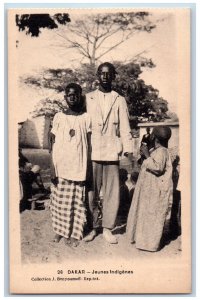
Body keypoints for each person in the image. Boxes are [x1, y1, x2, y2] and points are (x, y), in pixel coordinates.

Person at [84, 62, 133, 244]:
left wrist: (128, 150)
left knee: (112, 192)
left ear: (113, 76)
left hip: (112, 151)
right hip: (93, 151)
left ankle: (107, 228)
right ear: (97, 76)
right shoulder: (88, 98)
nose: (105, 76)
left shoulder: (119, 99)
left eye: (108, 74)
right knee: (92, 192)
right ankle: (94, 227)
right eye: (102, 73)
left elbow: (125, 126)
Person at [49, 83, 91, 247]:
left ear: (80, 96)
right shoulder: (59, 117)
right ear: (65, 97)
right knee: (59, 201)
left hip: (78, 167)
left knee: (76, 202)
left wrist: (87, 168)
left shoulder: (86, 117)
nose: (72, 97)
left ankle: (75, 234)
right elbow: (51, 142)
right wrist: (52, 166)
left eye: (75, 94)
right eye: (69, 95)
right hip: (61, 166)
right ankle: (60, 231)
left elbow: (88, 144)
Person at [126, 126, 173, 252]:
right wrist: (144, 155)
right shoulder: (155, 150)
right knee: (145, 214)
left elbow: (157, 168)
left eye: (152, 134)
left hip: (155, 191)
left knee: (152, 216)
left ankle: (150, 244)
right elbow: (145, 164)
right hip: (148, 190)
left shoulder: (162, 152)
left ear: (155, 137)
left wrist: (147, 155)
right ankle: (141, 240)